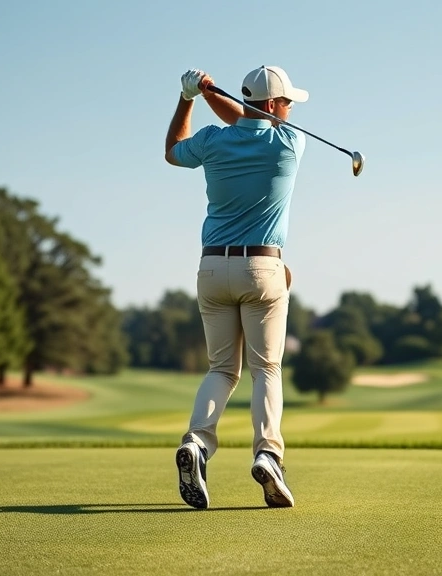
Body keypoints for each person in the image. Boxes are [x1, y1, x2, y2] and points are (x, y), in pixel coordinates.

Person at [164, 65, 309, 509]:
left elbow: (173, 151)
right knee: (265, 368)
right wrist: (210, 94)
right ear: (271, 106)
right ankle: (268, 454)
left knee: (222, 370)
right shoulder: (289, 143)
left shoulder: (211, 140)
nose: (289, 110)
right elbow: (248, 121)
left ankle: (198, 444)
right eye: (286, 102)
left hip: (212, 269)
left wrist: (191, 96)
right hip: (262, 269)